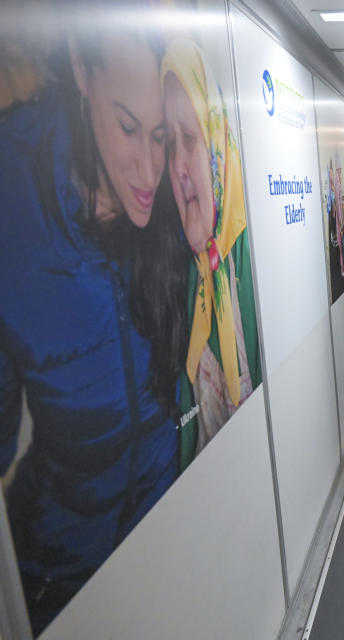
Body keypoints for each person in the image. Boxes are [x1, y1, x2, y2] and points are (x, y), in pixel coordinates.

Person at [0, 21, 180, 634]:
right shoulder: (12, 191)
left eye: (159, 136)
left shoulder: (174, 207)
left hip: (167, 526)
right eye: (128, 127)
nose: (148, 166)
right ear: (82, 71)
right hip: (58, 566)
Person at [161, 38, 262, 466]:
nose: (179, 167)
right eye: (169, 144)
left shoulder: (248, 261)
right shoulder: (171, 280)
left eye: (190, 138)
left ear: (219, 149)